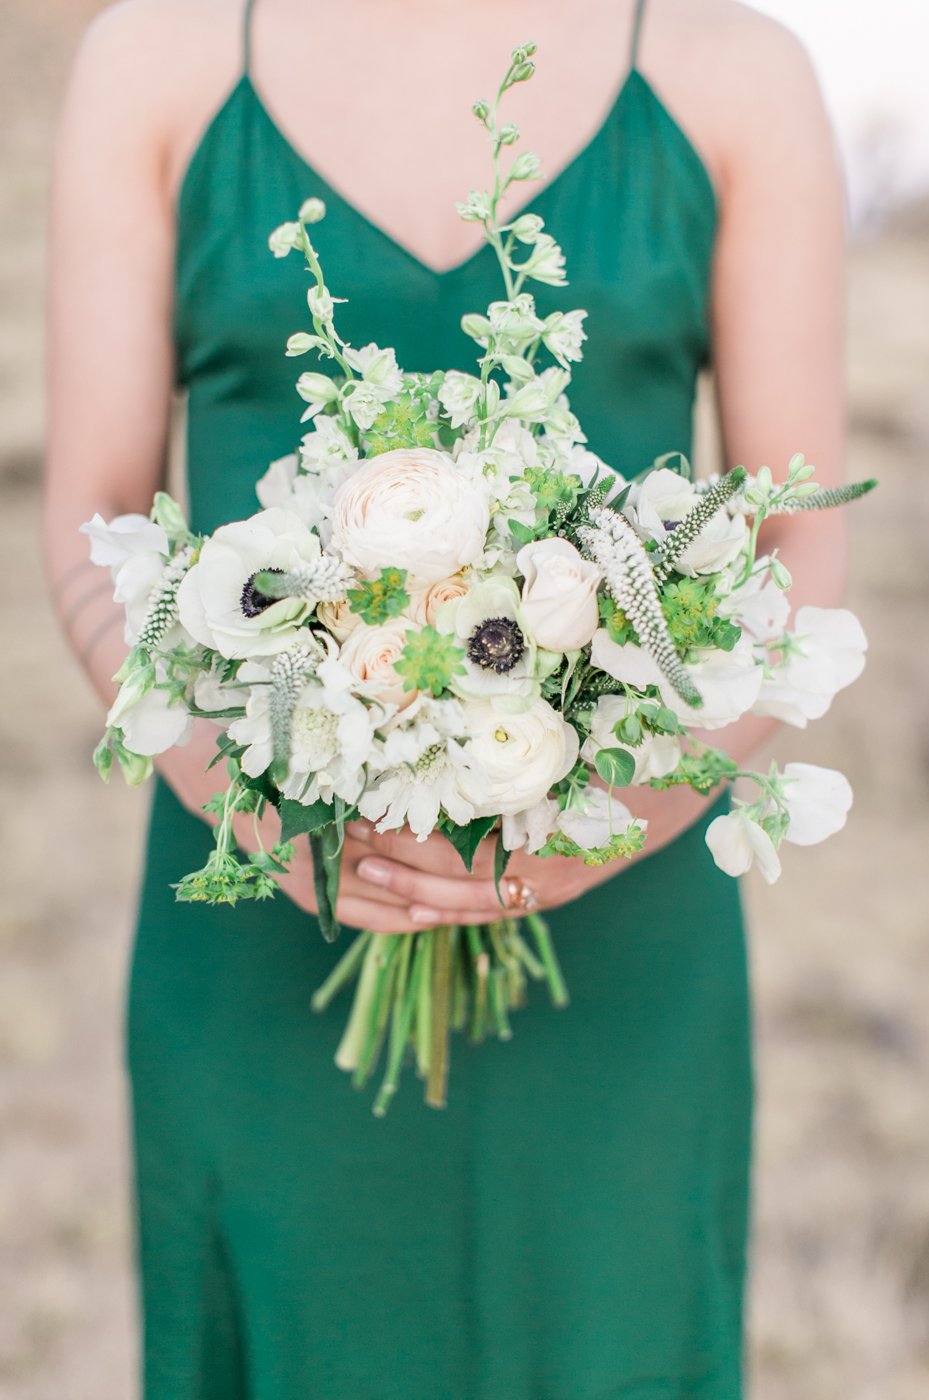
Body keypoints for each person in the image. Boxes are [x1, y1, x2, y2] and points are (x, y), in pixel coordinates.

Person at [42, 0, 848, 1395]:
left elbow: (800, 537)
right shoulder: (156, 58)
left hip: (624, 933)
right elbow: (94, 524)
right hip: (257, 920)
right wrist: (251, 799)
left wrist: (607, 816)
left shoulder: (737, 75)